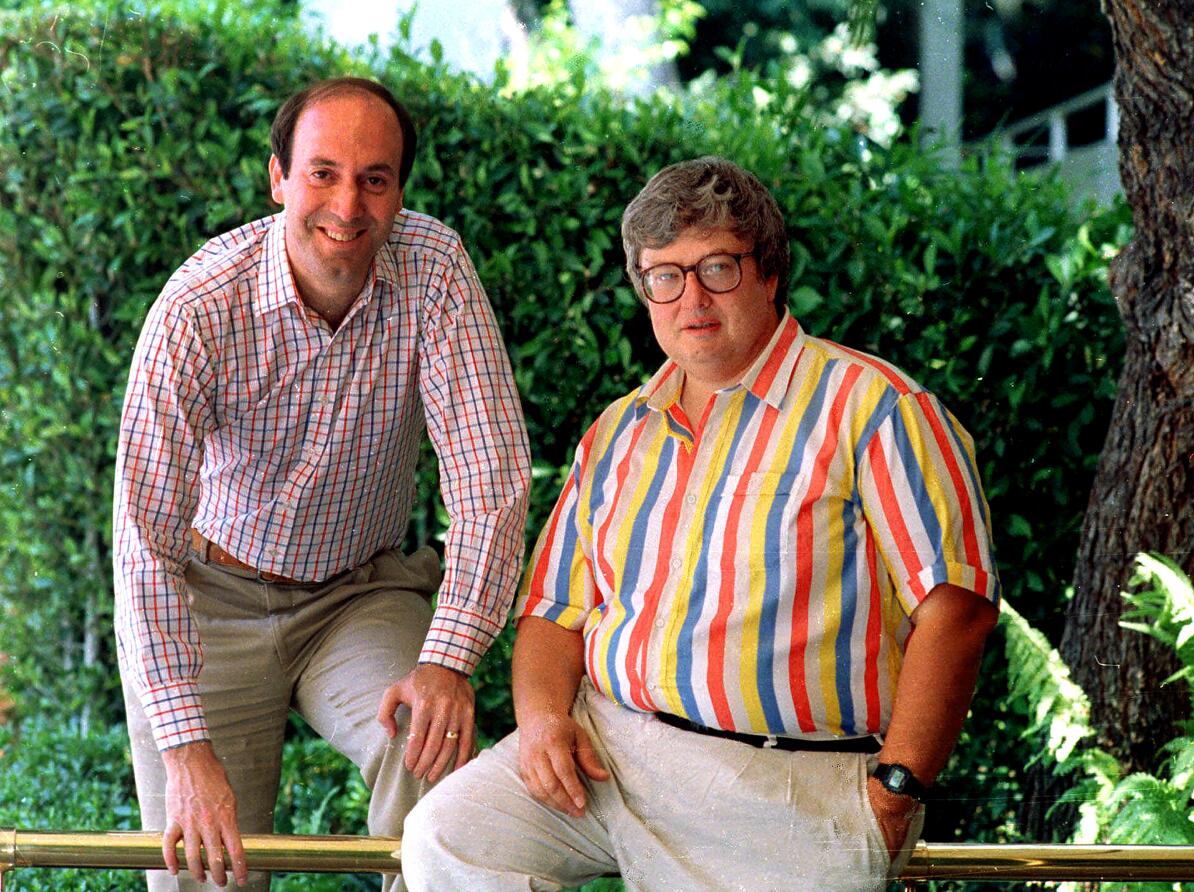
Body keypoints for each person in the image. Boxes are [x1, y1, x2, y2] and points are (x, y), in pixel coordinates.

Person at [402, 156, 1000, 891]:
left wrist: (895, 790)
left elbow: (957, 610)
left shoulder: (875, 410)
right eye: (665, 275)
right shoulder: (618, 430)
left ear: (770, 272)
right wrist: (542, 721)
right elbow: (553, 613)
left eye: (718, 267)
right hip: (607, 750)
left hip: (786, 785)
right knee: (449, 839)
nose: (692, 298)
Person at [113, 77, 530, 891]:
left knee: (431, 745)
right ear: (278, 178)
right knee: (203, 868)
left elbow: (491, 484)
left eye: (376, 178)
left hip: (359, 596)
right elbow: (144, 538)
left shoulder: (434, 269)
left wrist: (448, 659)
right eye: (323, 172)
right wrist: (185, 751)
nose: (349, 203)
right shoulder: (200, 306)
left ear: (400, 190)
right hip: (211, 600)